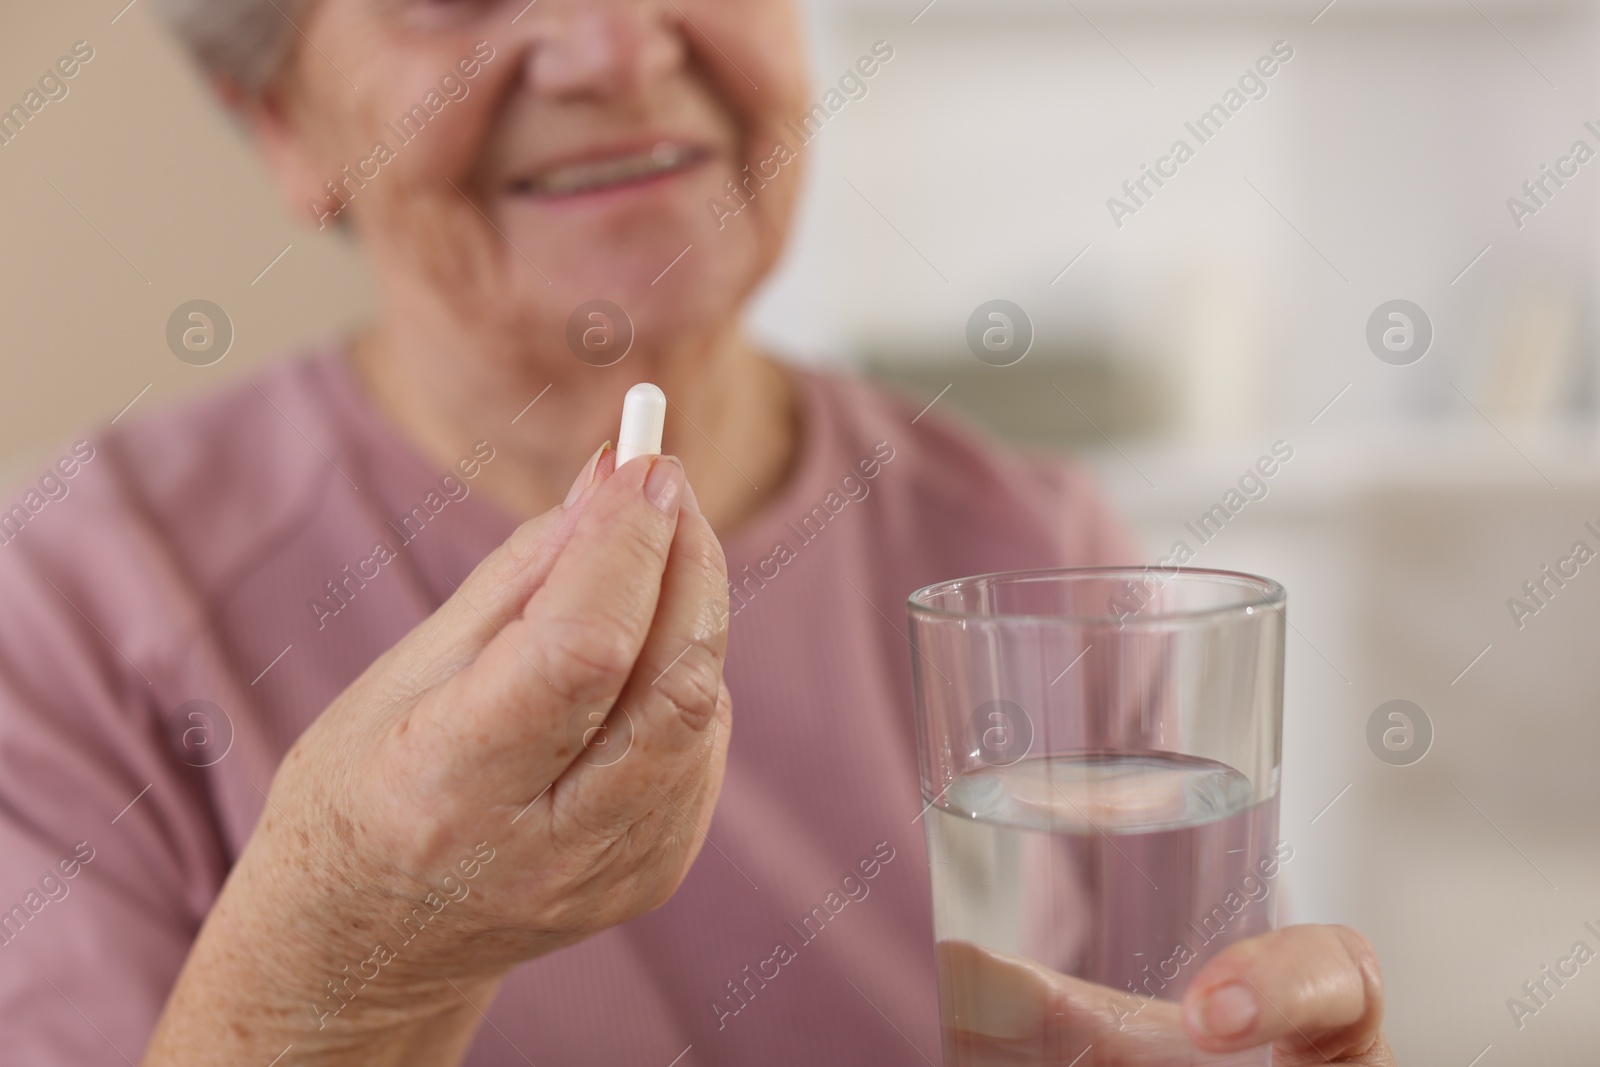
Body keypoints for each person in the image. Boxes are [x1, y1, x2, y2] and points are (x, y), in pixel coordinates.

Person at [0, 0, 1395, 1063]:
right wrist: (357, 953)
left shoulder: (1034, 554)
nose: (611, 47)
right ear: (282, 127)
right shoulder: (65, 616)